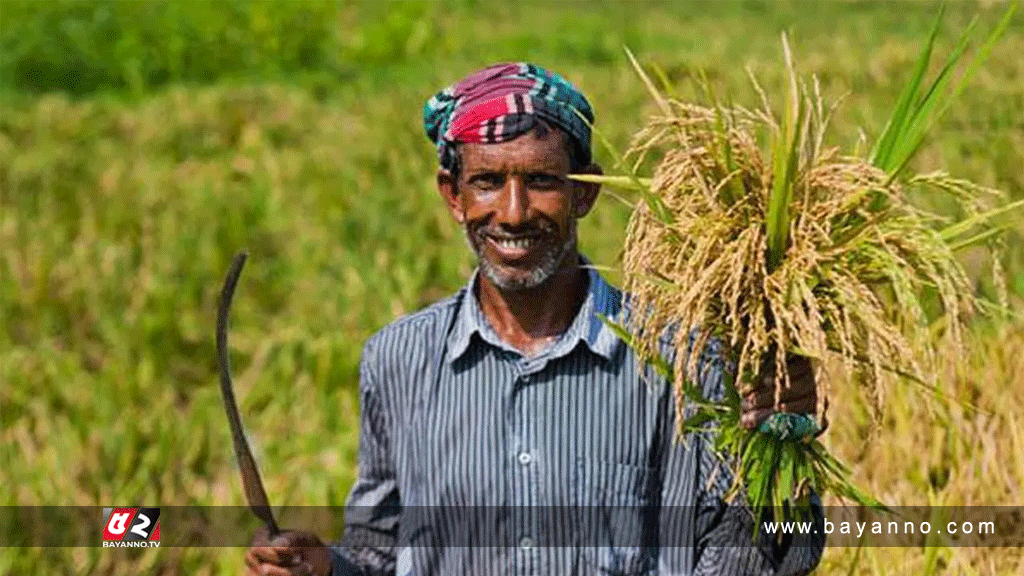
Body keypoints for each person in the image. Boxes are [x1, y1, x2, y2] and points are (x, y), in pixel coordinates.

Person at [244, 62, 823, 576]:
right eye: (488, 182)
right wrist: (327, 568)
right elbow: (383, 549)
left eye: (541, 181)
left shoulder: (682, 358)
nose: (514, 213)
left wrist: (779, 455)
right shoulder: (398, 359)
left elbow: (783, 547)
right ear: (453, 196)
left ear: (585, 193)